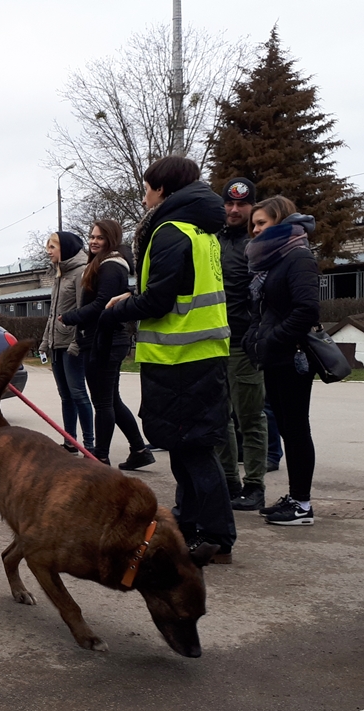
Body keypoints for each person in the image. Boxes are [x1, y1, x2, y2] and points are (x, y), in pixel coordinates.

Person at [98, 155, 235, 563]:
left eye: (146, 190)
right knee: (186, 446)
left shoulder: (170, 231)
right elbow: (176, 291)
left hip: (181, 359)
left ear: (163, 190)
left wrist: (118, 309)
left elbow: (159, 300)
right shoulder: (201, 232)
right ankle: (189, 522)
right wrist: (135, 296)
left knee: (194, 451)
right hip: (202, 354)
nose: (143, 199)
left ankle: (216, 537)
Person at [243, 196, 320, 526]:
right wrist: (254, 340)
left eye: (262, 223)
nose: (256, 229)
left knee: (296, 428)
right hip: (274, 358)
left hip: (293, 358)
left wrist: (272, 340)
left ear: (282, 221)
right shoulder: (271, 260)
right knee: (287, 428)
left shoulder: (298, 256)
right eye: (254, 225)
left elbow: (306, 311)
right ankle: (295, 496)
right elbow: (265, 311)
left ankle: (302, 505)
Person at [60, 221, 153, 469]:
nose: (93, 241)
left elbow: (103, 304)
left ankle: (100, 457)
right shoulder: (103, 263)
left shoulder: (111, 265)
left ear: (111, 240)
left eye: (100, 238)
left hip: (106, 340)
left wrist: (71, 317)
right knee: (111, 400)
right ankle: (140, 450)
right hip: (104, 339)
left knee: (102, 402)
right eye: (91, 236)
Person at [214, 178, 269, 510]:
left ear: (252, 207)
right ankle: (229, 482)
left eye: (242, 205)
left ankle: (255, 485)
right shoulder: (212, 241)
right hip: (213, 344)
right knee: (220, 418)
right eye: (229, 204)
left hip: (244, 346)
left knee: (250, 418)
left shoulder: (258, 244)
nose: (235, 210)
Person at [40, 230, 95, 454]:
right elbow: (53, 312)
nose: (48, 251)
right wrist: (45, 342)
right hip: (56, 345)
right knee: (65, 396)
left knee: (78, 393)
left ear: (65, 248)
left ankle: (89, 444)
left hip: (72, 346)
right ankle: (69, 441)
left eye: (52, 247)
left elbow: (83, 310)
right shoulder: (58, 274)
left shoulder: (82, 272)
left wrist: (77, 341)